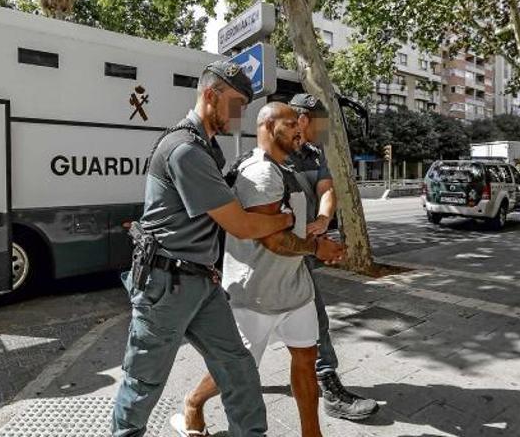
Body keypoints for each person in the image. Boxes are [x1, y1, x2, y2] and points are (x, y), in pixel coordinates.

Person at [111, 61, 295, 437]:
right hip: (166, 286)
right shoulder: (185, 150)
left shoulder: (205, 147)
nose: (240, 113)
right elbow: (240, 225)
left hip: (199, 282)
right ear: (211, 95)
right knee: (143, 382)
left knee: (238, 367)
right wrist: (286, 220)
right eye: (236, 102)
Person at [177, 103, 346, 437]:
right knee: (237, 369)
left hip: (295, 288)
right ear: (268, 126)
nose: (300, 128)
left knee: (306, 357)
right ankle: (193, 402)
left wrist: (318, 227)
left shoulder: (286, 166)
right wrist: (318, 248)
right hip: (254, 295)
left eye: (300, 123)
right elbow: (273, 241)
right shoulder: (260, 173)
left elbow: (307, 210)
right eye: (290, 123)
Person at [286, 93, 380, 420]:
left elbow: (327, 190)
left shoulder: (313, 155)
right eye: (322, 123)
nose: (326, 131)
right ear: (302, 120)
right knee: (244, 345)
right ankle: (197, 401)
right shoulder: (275, 152)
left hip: (299, 258)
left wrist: (324, 219)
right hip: (273, 262)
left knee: (312, 323)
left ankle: (326, 383)